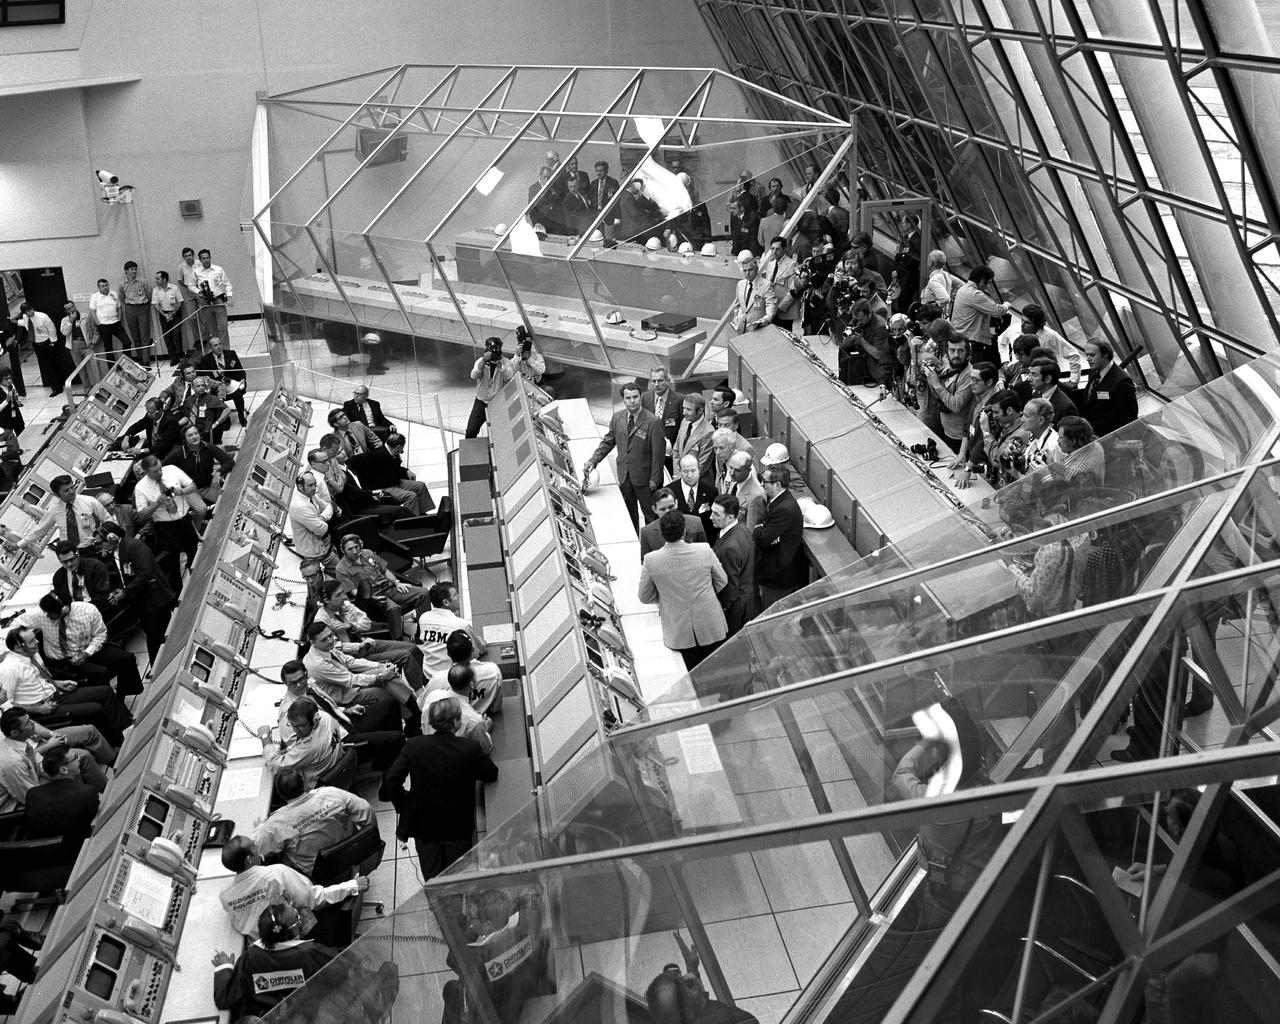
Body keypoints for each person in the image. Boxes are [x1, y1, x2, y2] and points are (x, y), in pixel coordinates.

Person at [893, 697, 1002, 924]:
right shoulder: (985, 786)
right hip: (981, 879)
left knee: (940, 934)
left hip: (949, 894)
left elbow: (901, 774)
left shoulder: (935, 801)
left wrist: (927, 742)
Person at [385, 696, 498, 879]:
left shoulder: (413, 746)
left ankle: (438, 906)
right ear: (455, 722)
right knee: (458, 874)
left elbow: (391, 780)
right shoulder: (469, 748)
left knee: (432, 876)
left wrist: (405, 805)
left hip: (424, 826)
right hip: (457, 827)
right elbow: (491, 773)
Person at [218, 834, 367, 940]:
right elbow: (313, 899)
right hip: (298, 936)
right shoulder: (277, 872)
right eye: (254, 846)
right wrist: (352, 886)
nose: (258, 846)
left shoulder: (225, 896)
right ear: (249, 859)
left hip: (266, 949)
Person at [0, 627, 131, 746]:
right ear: (18, 647)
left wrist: (58, 683)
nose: (37, 642)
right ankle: (116, 744)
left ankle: (129, 730)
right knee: (94, 709)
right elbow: (8, 706)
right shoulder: (8, 669)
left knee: (105, 692)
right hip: (42, 708)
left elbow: (38, 679)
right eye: (32, 641)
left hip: (56, 694)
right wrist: (38, 709)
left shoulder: (33, 653)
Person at [212, 902, 342, 1019]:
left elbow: (224, 999)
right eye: (297, 918)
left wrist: (224, 968)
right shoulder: (309, 953)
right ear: (293, 929)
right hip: (305, 1017)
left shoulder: (250, 958)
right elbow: (341, 972)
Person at [276, 660, 403, 772]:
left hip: (344, 720)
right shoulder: (289, 711)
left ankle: (385, 760)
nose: (299, 685)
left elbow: (326, 704)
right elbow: (295, 744)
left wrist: (345, 710)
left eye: (301, 679)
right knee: (396, 739)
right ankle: (389, 781)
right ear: (286, 684)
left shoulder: (309, 686)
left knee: (390, 704)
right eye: (293, 683)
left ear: (306, 674)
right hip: (340, 740)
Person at [639, 509, 727, 669]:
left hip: (679, 631)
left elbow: (644, 596)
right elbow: (722, 580)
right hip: (711, 624)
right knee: (719, 671)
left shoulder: (651, 560)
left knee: (692, 677)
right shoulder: (704, 550)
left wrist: (665, 598)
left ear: (662, 534)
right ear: (684, 530)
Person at [254, 768, 372, 876]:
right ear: (304, 784)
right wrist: (366, 840)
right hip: (351, 853)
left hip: (320, 874)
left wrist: (260, 829)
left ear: (281, 796)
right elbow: (365, 808)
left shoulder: (276, 823)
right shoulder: (331, 793)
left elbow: (258, 850)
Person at [20, 593, 142, 697]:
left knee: (126, 658)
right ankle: (109, 702)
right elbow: (16, 623)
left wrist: (86, 653)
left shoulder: (88, 611)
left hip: (86, 650)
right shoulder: (42, 614)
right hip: (62, 659)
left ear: (63, 609)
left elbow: (100, 635)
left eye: (50, 614)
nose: (47, 616)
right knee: (100, 673)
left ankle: (122, 694)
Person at [582, 382, 665, 533]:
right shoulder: (617, 418)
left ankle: (652, 547)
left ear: (641, 397)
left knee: (651, 516)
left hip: (646, 480)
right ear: (623, 399)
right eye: (628, 398)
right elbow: (608, 442)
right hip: (625, 476)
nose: (632, 401)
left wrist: (655, 478)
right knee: (629, 516)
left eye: (635, 397)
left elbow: (658, 453)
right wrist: (593, 460)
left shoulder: (653, 421)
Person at [0, 707, 112, 814]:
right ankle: (86, 810)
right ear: (14, 733)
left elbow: (39, 763)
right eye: (28, 723)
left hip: (34, 779)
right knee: (68, 769)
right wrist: (60, 778)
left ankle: (108, 792)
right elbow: (29, 797)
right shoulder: (13, 763)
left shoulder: (19, 742)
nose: (33, 723)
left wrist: (57, 770)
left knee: (76, 759)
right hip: (17, 804)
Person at [313, 579, 427, 682]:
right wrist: (358, 646)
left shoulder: (345, 605)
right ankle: (421, 693)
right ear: (327, 600)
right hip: (354, 656)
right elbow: (333, 649)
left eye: (343, 592)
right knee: (405, 656)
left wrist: (351, 626)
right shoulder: (321, 620)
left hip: (366, 643)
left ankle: (427, 681)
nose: (344, 596)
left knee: (412, 647)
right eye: (339, 594)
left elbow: (367, 623)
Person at [303, 621, 419, 717]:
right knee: (388, 691)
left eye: (330, 635)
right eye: (324, 639)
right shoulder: (317, 664)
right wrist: (381, 676)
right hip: (346, 697)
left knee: (388, 673)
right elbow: (351, 680)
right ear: (313, 643)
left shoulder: (325, 648)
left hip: (349, 685)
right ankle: (413, 712)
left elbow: (351, 662)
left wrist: (380, 667)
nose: (330, 640)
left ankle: (413, 712)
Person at [95, 522, 174, 661]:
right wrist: (121, 589)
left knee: (155, 636)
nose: (100, 547)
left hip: (156, 599)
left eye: (101, 543)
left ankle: (156, 666)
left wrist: (125, 593)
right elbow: (124, 575)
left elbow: (145, 573)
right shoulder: (115, 552)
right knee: (152, 634)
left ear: (112, 538)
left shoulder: (135, 546)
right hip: (142, 601)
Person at [645, 932, 758, 1024]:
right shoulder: (721, 1017)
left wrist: (693, 969)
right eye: (688, 985)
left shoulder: (685, 1017)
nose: (690, 976)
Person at [334, 534, 430, 641]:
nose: (355, 551)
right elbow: (354, 592)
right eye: (350, 549)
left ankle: (422, 633)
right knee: (394, 609)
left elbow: (385, 570)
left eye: (356, 547)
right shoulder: (341, 569)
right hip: (373, 596)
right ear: (343, 550)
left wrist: (397, 582)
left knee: (423, 593)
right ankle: (398, 641)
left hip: (389, 588)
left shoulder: (368, 553)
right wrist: (372, 598)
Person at [132, 454, 200, 592]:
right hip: (165, 528)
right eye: (155, 471)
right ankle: (179, 593)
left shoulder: (172, 470)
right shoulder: (140, 488)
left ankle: (199, 579)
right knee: (172, 563)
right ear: (146, 472)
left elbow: (192, 486)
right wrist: (157, 503)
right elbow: (142, 514)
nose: (159, 472)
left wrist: (180, 491)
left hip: (184, 520)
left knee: (194, 550)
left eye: (160, 468)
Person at [23, 745, 100, 856]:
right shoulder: (88, 793)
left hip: (38, 854)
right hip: (77, 853)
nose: (79, 759)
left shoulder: (32, 793)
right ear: (64, 770)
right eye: (75, 758)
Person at [257, 697, 346, 788]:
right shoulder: (326, 717)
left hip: (314, 784)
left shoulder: (309, 747)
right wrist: (288, 750)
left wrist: (265, 737)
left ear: (314, 719)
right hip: (332, 768)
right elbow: (303, 743)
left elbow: (275, 766)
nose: (296, 731)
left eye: (301, 726)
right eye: (293, 725)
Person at [164, 424, 234, 531]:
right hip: (189, 490)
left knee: (227, 501)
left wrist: (218, 473)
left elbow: (228, 461)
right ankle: (194, 531)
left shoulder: (208, 447)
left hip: (207, 485)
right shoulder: (177, 454)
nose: (194, 437)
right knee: (201, 509)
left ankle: (224, 527)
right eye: (190, 435)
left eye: (196, 433)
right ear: (185, 439)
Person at [754, 465, 803, 610]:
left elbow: (762, 539)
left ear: (777, 485)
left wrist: (759, 529)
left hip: (778, 578)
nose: (762, 485)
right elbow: (762, 528)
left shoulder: (784, 509)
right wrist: (762, 528)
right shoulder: (777, 500)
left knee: (772, 616)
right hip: (771, 573)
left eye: (765, 482)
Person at [348, 432, 433, 516]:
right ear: (398, 447)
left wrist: (406, 471)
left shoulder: (394, 453)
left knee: (420, 486)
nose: (402, 450)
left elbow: (395, 468)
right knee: (411, 496)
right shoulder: (375, 454)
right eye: (402, 448)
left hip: (395, 482)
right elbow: (352, 461)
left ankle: (422, 513)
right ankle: (410, 519)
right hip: (384, 487)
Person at [422, 631, 502, 719]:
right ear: (472, 649)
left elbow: (422, 706)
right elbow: (495, 708)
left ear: (448, 654)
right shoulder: (493, 672)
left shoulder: (437, 681)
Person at [417, 580, 486, 677]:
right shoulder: (461, 625)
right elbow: (477, 652)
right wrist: (481, 643)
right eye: (455, 595)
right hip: (454, 677)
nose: (459, 597)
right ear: (446, 602)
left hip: (428, 674)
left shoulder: (423, 618)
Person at [27, 474, 109, 555]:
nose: (72, 492)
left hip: (95, 547)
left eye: (72, 487)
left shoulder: (89, 501)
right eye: (66, 490)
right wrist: (18, 544)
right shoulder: (54, 510)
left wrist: (106, 541)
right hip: (72, 554)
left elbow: (108, 520)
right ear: (57, 494)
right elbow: (40, 530)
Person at [420, 664, 493, 755]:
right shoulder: (474, 720)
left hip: (429, 752)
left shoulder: (433, 696)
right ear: (471, 684)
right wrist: (485, 730)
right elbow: (485, 749)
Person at [950, 362, 1000, 489]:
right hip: (972, 458)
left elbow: (984, 440)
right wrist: (962, 453)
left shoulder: (996, 407)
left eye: (975, 380)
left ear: (989, 382)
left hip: (985, 465)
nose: (971, 383)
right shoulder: (978, 394)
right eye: (971, 379)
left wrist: (968, 468)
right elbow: (968, 425)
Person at [710, 495, 755, 637]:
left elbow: (729, 587)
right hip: (745, 601)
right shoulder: (743, 529)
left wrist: (722, 609)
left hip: (733, 612)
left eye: (716, 514)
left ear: (730, 517)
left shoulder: (729, 548)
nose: (711, 517)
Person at [923, 336, 976, 454]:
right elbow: (938, 397)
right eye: (952, 350)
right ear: (947, 352)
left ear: (967, 353)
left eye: (960, 351)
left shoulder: (969, 375)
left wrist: (936, 384)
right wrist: (930, 377)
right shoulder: (950, 366)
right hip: (946, 429)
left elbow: (956, 406)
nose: (956, 355)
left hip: (959, 436)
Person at [1076, 338, 1138, 439]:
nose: (1087, 359)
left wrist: (1116, 440)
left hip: (1108, 438)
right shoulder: (1094, 370)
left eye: (1092, 355)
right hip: (1091, 434)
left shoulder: (1122, 381)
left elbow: (1129, 417)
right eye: (1086, 355)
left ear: (1105, 355)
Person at [950, 267, 1010, 364]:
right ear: (982, 280)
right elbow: (997, 311)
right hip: (971, 342)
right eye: (988, 282)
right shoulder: (975, 294)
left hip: (961, 337)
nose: (988, 286)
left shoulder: (963, 289)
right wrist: (1006, 305)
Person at [466, 336, 516, 439]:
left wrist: (500, 366)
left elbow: (509, 377)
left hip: (497, 402)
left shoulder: (505, 362)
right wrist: (483, 361)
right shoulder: (481, 361)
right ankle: (470, 451)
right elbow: (473, 375)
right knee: (471, 430)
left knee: (499, 432)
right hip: (481, 401)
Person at [289, 471, 337, 574]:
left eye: (315, 484)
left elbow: (328, 506)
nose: (314, 488)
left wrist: (322, 517)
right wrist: (323, 520)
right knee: (343, 573)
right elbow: (322, 530)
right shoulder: (300, 506)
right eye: (310, 485)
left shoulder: (310, 495)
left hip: (326, 547)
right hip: (318, 554)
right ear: (301, 487)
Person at [639, 488, 707, 561]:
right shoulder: (646, 532)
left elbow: (705, 552)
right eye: (663, 509)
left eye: (671, 507)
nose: (668, 512)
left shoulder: (695, 522)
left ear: (676, 503)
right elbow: (646, 562)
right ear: (654, 509)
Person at [197, 335, 248, 426]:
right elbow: (206, 378)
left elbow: (240, 370)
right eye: (215, 345)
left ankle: (241, 416)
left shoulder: (231, 354)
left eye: (220, 344)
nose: (219, 347)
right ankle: (225, 420)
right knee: (218, 399)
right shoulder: (206, 360)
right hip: (218, 387)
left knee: (238, 396)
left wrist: (242, 381)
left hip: (233, 385)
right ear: (211, 347)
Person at [15, 302, 61, 395]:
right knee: (45, 366)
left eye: (31, 309)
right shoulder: (25, 317)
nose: (30, 312)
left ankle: (58, 387)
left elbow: (51, 329)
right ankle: (53, 386)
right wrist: (15, 322)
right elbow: (25, 324)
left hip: (47, 343)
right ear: (24, 313)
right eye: (27, 311)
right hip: (36, 344)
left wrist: (52, 342)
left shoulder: (43, 316)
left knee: (52, 365)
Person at [728, 250, 776, 334]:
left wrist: (765, 320)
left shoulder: (766, 285)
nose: (747, 273)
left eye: (750, 270)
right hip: (741, 328)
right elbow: (737, 305)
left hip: (757, 329)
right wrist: (736, 318)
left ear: (756, 269)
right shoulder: (741, 284)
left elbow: (771, 306)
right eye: (745, 270)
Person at [673, 453, 718, 544]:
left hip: (704, 543)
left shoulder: (711, 491)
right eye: (685, 471)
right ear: (679, 470)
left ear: (699, 469)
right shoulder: (671, 491)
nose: (690, 475)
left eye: (693, 471)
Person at [758, 236, 799, 332]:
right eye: (772, 249)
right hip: (770, 308)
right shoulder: (771, 264)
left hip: (784, 312)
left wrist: (779, 308)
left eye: (778, 249)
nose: (774, 252)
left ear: (784, 249)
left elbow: (793, 291)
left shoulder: (792, 265)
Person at [641, 366, 681, 463]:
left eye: (660, 381)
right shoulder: (645, 398)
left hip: (670, 456)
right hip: (649, 453)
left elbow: (683, 428)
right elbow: (640, 425)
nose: (656, 384)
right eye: (653, 381)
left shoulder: (679, 400)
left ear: (667, 381)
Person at [194, 248, 233, 345]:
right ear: (200, 260)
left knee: (223, 327)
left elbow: (227, 284)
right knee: (213, 329)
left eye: (207, 258)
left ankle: (226, 350)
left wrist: (229, 296)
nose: (206, 260)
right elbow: (191, 285)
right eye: (203, 258)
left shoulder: (218, 269)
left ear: (210, 258)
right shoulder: (196, 272)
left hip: (218, 300)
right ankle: (217, 351)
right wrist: (199, 291)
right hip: (205, 302)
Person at [117, 260, 153, 364]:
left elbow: (149, 294)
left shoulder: (143, 282)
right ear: (126, 271)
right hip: (130, 309)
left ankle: (146, 361)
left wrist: (145, 306)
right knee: (135, 336)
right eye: (132, 269)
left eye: (135, 269)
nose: (134, 271)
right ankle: (140, 359)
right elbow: (122, 297)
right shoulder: (122, 284)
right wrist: (129, 306)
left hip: (143, 308)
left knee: (144, 336)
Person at [673, 394, 714, 481]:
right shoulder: (684, 422)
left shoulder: (708, 432)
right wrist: (677, 474)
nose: (684, 412)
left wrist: (681, 477)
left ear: (700, 411)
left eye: (688, 409)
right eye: (683, 408)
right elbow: (676, 451)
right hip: (680, 478)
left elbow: (702, 464)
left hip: (698, 481)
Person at [60, 299, 96, 391]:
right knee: (81, 369)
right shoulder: (65, 320)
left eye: (72, 307)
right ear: (66, 311)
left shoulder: (85, 316)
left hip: (86, 344)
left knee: (93, 366)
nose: (71, 309)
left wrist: (93, 341)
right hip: (74, 345)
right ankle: (87, 389)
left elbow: (94, 329)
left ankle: (97, 386)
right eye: (68, 309)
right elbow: (65, 333)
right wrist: (71, 321)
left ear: (75, 306)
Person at [1029, 357, 1078, 425]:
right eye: (1030, 374)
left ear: (1048, 379)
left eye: (1034, 375)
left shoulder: (1065, 407)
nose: (1029, 379)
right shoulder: (1036, 394)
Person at [1019, 396, 1060, 475]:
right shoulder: (1032, 433)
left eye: (1026, 416)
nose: (1021, 420)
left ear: (1041, 420)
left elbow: (1057, 480)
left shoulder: (1054, 446)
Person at [152, 270, 185, 366]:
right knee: (167, 337)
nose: (156, 280)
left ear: (164, 279)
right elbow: (156, 305)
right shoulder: (156, 290)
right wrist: (165, 315)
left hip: (175, 313)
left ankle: (180, 354)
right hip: (164, 315)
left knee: (177, 333)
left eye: (158, 278)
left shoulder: (174, 288)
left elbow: (180, 302)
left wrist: (173, 313)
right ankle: (173, 358)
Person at [87, 278, 124, 363]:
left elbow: (119, 308)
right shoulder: (95, 296)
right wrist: (98, 324)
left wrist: (119, 320)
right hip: (103, 325)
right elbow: (92, 311)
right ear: (99, 287)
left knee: (127, 342)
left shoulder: (113, 294)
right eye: (103, 286)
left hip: (115, 323)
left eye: (107, 285)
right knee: (108, 348)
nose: (105, 287)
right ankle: (113, 368)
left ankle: (124, 361)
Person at [187, 375, 232, 444]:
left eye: (203, 385)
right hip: (193, 431)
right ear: (193, 387)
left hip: (206, 432)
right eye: (198, 386)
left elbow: (227, 410)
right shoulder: (190, 400)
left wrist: (216, 423)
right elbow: (187, 415)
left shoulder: (211, 399)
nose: (201, 388)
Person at [176, 246, 202, 351]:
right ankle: (197, 339)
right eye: (186, 256)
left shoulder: (199, 263)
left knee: (203, 316)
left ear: (193, 255)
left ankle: (206, 338)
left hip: (200, 290)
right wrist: (189, 286)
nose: (188, 257)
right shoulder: (181, 266)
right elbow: (180, 280)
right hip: (189, 292)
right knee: (192, 317)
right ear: (183, 257)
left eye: (190, 255)